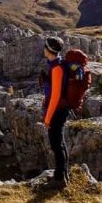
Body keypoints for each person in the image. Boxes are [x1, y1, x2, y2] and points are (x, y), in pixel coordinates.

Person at [40, 36, 71, 189]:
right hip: (60, 109)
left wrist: (48, 117)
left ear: (49, 50)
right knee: (59, 143)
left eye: (45, 47)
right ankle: (63, 174)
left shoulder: (57, 68)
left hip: (57, 111)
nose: (43, 49)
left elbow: (56, 96)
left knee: (56, 144)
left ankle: (60, 179)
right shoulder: (56, 64)